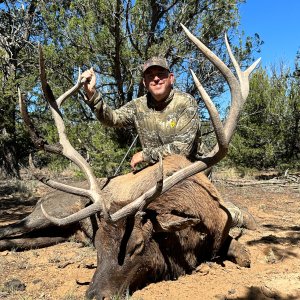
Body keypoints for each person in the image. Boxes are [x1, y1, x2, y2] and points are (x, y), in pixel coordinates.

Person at [81, 57, 256, 230]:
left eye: (161, 74)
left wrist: (145, 154)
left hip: (189, 173)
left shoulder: (186, 103)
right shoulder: (138, 105)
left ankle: (235, 215)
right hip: (154, 175)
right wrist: (92, 94)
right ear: (144, 82)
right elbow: (112, 118)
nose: (156, 78)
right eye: (150, 76)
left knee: (206, 221)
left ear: (171, 78)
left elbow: (182, 149)